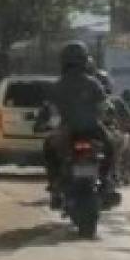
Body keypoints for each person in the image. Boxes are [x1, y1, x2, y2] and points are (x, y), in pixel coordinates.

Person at [37, 41, 117, 207]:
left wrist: (41, 122)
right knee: (110, 147)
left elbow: (48, 110)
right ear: (84, 61)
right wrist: (110, 117)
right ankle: (106, 182)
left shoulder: (57, 86)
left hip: (67, 131)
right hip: (93, 129)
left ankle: (55, 185)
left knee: (48, 149)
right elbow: (106, 107)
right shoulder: (93, 83)